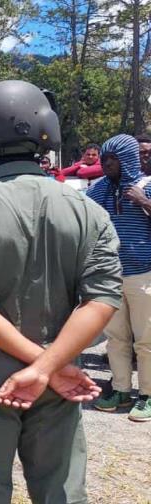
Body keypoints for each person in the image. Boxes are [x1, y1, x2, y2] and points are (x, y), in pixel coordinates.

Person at [0, 80, 121, 503]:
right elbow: (102, 298)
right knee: (60, 486)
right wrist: (50, 366)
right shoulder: (86, 211)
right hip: (62, 372)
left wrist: (39, 366)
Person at [87, 134, 151, 422]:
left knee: (146, 340)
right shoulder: (99, 189)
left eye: (111, 159)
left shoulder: (147, 186)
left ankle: (148, 395)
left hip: (144, 274)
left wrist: (144, 202)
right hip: (111, 276)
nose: (105, 164)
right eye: (103, 159)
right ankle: (121, 390)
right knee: (116, 338)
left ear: (127, 160)